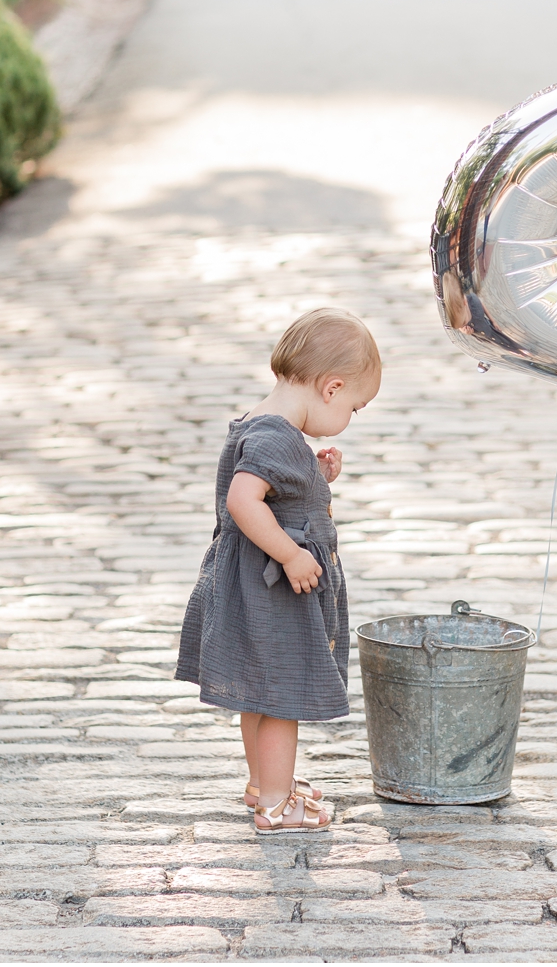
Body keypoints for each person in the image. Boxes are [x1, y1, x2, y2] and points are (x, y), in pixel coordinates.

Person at [175, 307, 380, 834]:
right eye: (355, 407)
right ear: (331, 388)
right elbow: (245, 502)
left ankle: (262, 782)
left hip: (253, 590)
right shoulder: (274, 437)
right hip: (270, 592)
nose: (350, 420)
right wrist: (290, 554)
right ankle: (275, 804)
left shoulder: (268, 428)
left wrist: (316, 474)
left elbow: (277, 490)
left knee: (258, 693)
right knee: (282, 696)